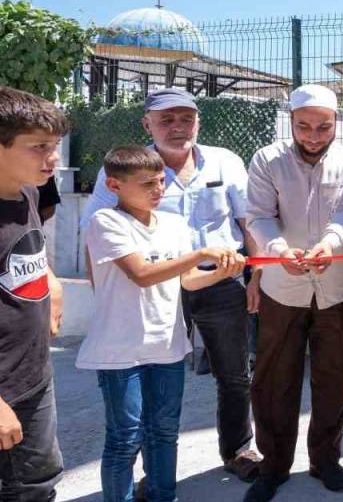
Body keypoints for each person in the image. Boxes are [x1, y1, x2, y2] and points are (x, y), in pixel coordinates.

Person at [82, 87, 263, 481]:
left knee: (234, 373)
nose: (178, 127)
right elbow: (92, 231)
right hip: (157, 288)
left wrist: (256, 277)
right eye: (166, 119)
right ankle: (156, 468)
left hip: (221, 282)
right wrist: (106, 299)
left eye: (186, 118)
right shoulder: (127, 170)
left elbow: (249, 222)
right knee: (157, 377)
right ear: (147, 123)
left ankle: (238, 450)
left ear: (198, 121)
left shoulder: (226, 162)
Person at [243, 85, 343, 501]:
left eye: (323, 127)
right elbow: (258, 216)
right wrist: (278, 251)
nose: (313, 136)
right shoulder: (266, 160)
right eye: (304, 126)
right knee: (275, 378)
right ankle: (273, 466)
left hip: (339, 287)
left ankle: (325, 459)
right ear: (291, 121)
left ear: (336, 124)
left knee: (334, 376)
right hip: (283, 286)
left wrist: (331, 243)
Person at [0, 86, 67, 499]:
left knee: (39, 486)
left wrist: (52, 279)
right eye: (39, 146)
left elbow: (28, 244)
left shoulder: (27, 191)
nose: (54, 157)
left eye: (56, 145)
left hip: (33, 376)